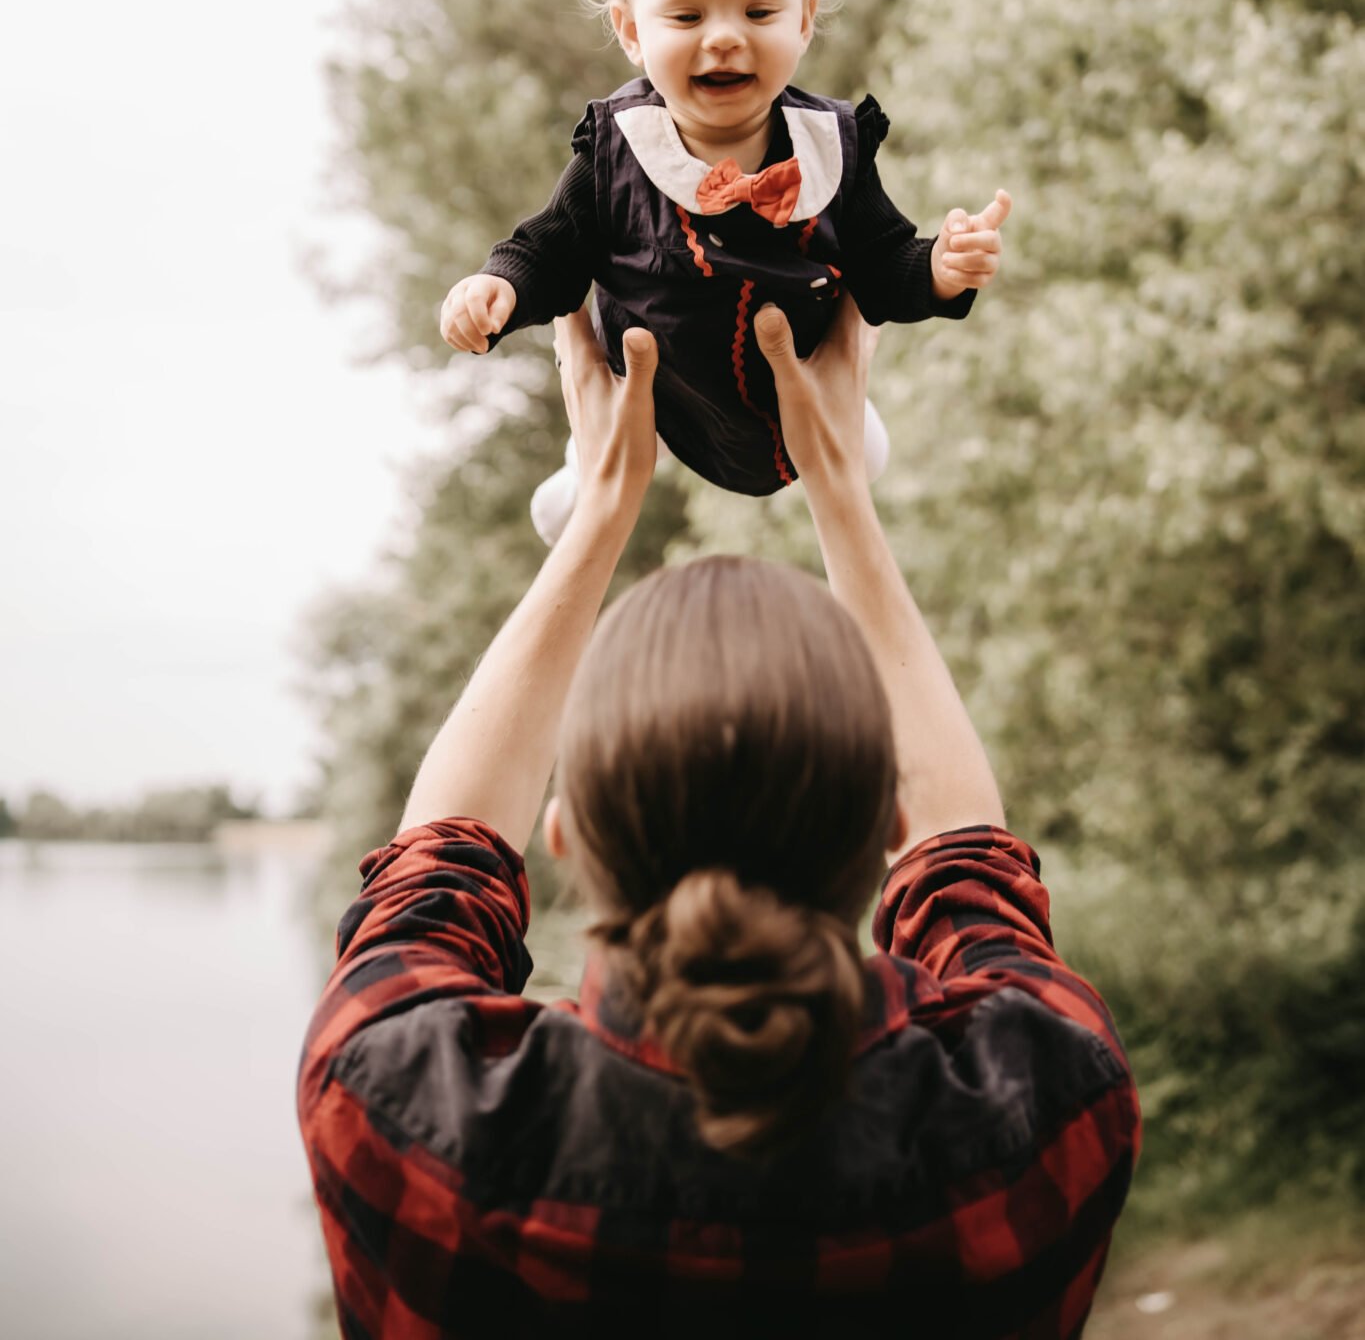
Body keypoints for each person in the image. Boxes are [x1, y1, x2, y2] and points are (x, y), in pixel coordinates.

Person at [298, 295, 1141, 1336]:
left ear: (565, 834)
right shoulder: (1043, 1104)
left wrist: (605, 502)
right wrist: (838, 486)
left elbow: (437, 865)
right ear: (883, 825)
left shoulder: (401, 1114)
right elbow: (966, 858)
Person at [437, 0, 1011, 541]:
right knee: (607, 412)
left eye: (759, 10)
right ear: (630, 32)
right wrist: (496, 286)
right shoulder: (619, 149)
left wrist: (942, 269)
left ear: (803, 20)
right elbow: (548, 249)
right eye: (685, 15)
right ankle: (581, 469)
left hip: (792, 388)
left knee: (865, 451)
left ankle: (848, 437)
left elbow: (883, 265)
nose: (724, 36)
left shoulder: (830, 148)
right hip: (656, 389)